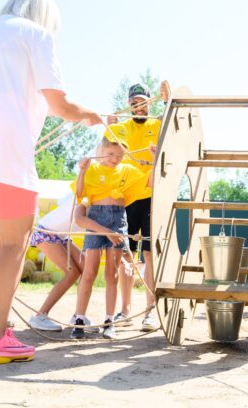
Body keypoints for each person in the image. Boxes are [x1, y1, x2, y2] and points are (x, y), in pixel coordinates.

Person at [0, 0, 103, 364]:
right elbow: (59, 105)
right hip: (5, 145)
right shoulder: (38, 35)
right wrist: (90, 114)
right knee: (15, 242)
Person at [71, 125, 154, 340]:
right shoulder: (92, 169)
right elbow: (80, 195)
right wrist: (81, 171)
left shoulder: (127, 170)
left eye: (119, 155)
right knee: (88, 273)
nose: (114, 159)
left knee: (112, 273)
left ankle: (109, 321)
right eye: (110, 154)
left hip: (118, 218)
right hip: (96, 218)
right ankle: (79, 319)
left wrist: (156, 160)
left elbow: (149, 183)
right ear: (102, 150)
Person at [108, 81, 170, 332]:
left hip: (152, 194)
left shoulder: (158, 122)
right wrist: (108, 127)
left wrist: (167, 101)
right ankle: (125, 311)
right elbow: (108, 151)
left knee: (149, 254)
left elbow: (174, 126)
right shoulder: (121, 126)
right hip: (126, 196)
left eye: (143, 102)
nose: (138, 107)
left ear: (149, 102)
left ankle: (150, 312)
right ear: (129, 105)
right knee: (125, 256)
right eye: (134, 103)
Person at [26, 192, 85, 332]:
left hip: (61, 235)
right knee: (72, 273)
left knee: (87, 268)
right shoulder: (87, 196)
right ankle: (40, 316)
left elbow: (61, 201)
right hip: (46, 232)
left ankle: (79, 316)